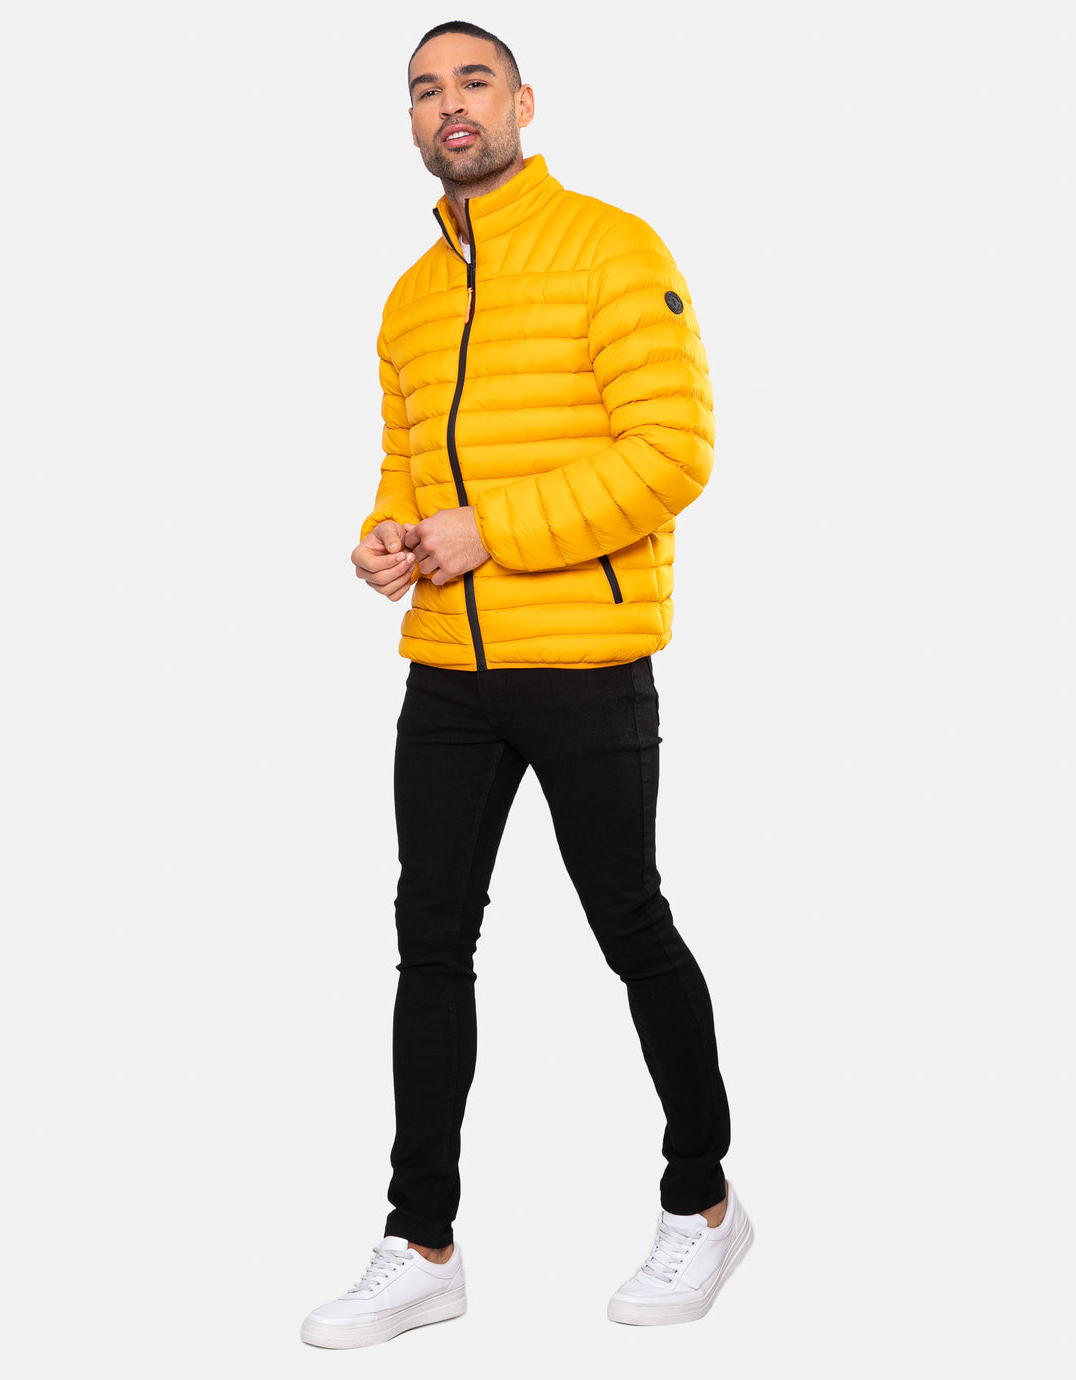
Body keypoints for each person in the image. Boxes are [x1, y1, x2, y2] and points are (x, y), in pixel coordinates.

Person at [300, 20, 752, 1351]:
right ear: (411, 120)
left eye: (474, 81)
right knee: (429, 946)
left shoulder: (613, 248)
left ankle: (704, 1201)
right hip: (449, 669)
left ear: (524, 103)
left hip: (587, 658)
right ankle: (420, 1244)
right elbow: (406, 471)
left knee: (630, 924)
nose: (450, 104)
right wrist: (388, 539)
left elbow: (672, 454)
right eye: (424, 89)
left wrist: (487, 530)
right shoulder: (410, 298)